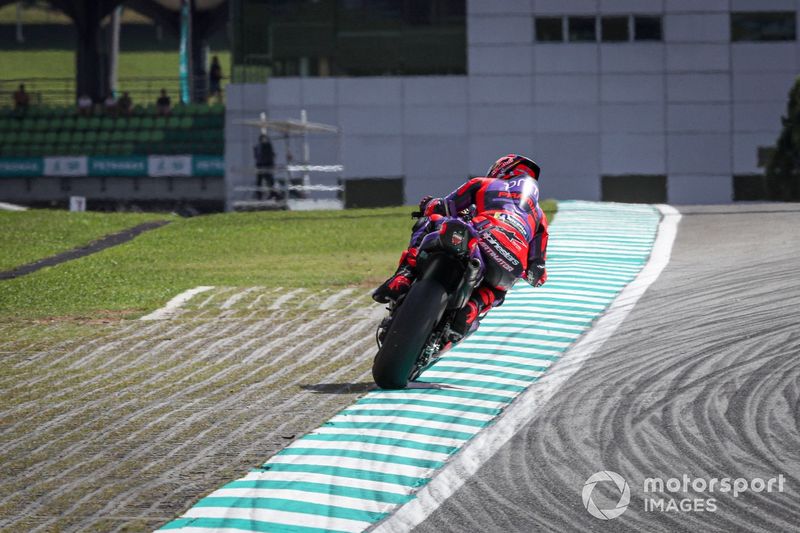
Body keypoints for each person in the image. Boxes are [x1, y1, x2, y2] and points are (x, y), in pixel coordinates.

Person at [373, 154, 549, 336]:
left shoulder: (485, 183)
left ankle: (404, 276)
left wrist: (428, 204)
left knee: (430, 220)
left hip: (480, 236)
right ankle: (472, 308)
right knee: (499, 290)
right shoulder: (540, 217)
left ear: (501, 169)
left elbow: (444, 207)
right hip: (511, 262)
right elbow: (537, 273)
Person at [253, 133, 277, 200]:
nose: (264, 140)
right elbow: (257, 156)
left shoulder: (267, 145)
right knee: (260, 181)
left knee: (269, 180)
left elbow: (270, 156)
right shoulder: (258, 146)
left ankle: (271, 193)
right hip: (261, 165)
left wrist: (272, 164)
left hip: (265, 165)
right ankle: (260, 195)